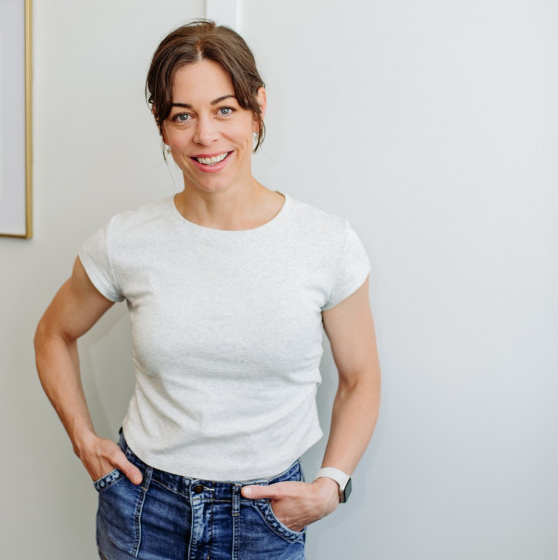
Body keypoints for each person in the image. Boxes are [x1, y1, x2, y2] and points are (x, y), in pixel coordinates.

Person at [34, 19, 380, 560]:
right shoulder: (126, 240)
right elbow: (53, 335)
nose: (205, 136)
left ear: (257, 108)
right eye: (182, 115)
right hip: (143, 510)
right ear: (161, 125)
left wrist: (331, 484)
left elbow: (360, 378)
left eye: (225, 109)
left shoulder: (327, 243)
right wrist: (84, 441)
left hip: (266, 518)